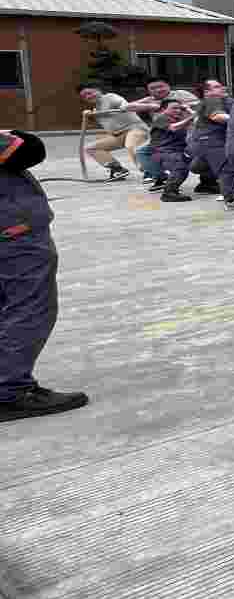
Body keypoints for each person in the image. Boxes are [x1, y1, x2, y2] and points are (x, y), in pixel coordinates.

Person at [0, 130, 86, 422]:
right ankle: (9, 391)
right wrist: (13, 134)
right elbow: (30, 150)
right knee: (28, 310)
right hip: (13, 236)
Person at [79, 87, 145, 180]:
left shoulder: (110, 97)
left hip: (136, 129)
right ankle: (117, 169)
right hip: (119, 135)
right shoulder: (96, 109)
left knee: (131, 145)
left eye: (90, 93)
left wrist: (124, 106)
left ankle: (149, 170)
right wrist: (88, 115)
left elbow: (122, 102)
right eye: (84, 96)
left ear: (98, 91)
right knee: (91, 148)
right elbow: (96, 123)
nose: (88, 96)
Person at [188, 80, 234, 198]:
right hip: (212, 141)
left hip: (204, 142)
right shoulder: (212, 100)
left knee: (202, 164)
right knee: (225, 168)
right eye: (217, 87)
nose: (223, 88)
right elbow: (217, 116)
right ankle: (231, 197)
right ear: (207, 92)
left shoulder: (224, 101)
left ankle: (207, 184)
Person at [148, 97, 197, 203]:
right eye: (174, 108)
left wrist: (188, 110)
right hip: (163, 152)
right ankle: (169, 193)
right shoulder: (161, 118)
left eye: (180, 108)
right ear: (163, 110)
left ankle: (207, 184)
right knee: (179, 166)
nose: (178, 111)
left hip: (178, 151)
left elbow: (197, 119)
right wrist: (190, 118)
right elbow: (173, 127)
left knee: (205, 158)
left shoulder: (180, 119)